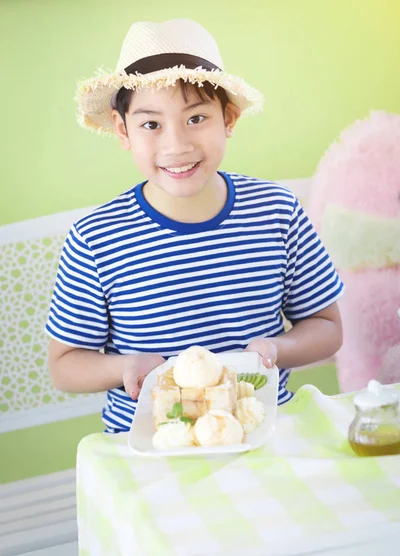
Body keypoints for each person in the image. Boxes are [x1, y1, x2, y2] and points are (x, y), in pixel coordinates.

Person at [46, 18, 344, 433]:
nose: (176, 145)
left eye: (196, 118)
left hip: (260, 429)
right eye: (151, 124)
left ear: (229, 118)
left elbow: (327, 327)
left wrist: (277, 348)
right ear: (122, 129)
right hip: (153, 443)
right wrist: (126, 366)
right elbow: (64, 366)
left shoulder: (276, 211)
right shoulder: (96, 239)